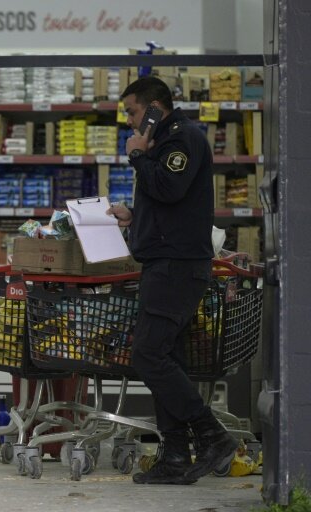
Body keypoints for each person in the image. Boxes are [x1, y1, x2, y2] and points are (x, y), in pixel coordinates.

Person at [107, 76, 238, 485]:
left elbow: (168, 185)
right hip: (166, 263)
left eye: (131, 112)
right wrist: (135, 218)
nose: (128, 122)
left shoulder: (180, 139)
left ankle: (213, 436)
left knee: (148, 356)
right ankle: (176, 455)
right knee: (167, 358)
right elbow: (167, 202)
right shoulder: (165, 142)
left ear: (153, 110)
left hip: (176, 268)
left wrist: (137, 157)